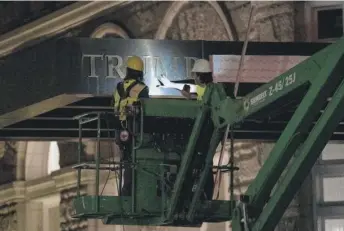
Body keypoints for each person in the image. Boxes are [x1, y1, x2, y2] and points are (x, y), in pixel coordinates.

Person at [113, 56, 149, 196]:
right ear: (140, 72)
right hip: (134, 128)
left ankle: (126, 189)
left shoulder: (118, 87)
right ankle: (131, 190)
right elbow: (147, 109)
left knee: (127, 159)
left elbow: (114, 106)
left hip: (120, 129)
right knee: (137, 159)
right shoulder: (141, 88)